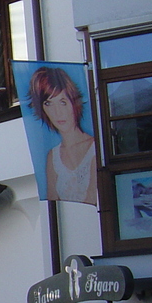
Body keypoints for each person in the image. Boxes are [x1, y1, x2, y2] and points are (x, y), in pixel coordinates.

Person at [27, 66, 97, 205]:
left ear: (74, 102)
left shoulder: (95, 147)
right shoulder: (53, 156)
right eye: (48, 104)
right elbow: (52, 203)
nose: (57, 112)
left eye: (63, 102)